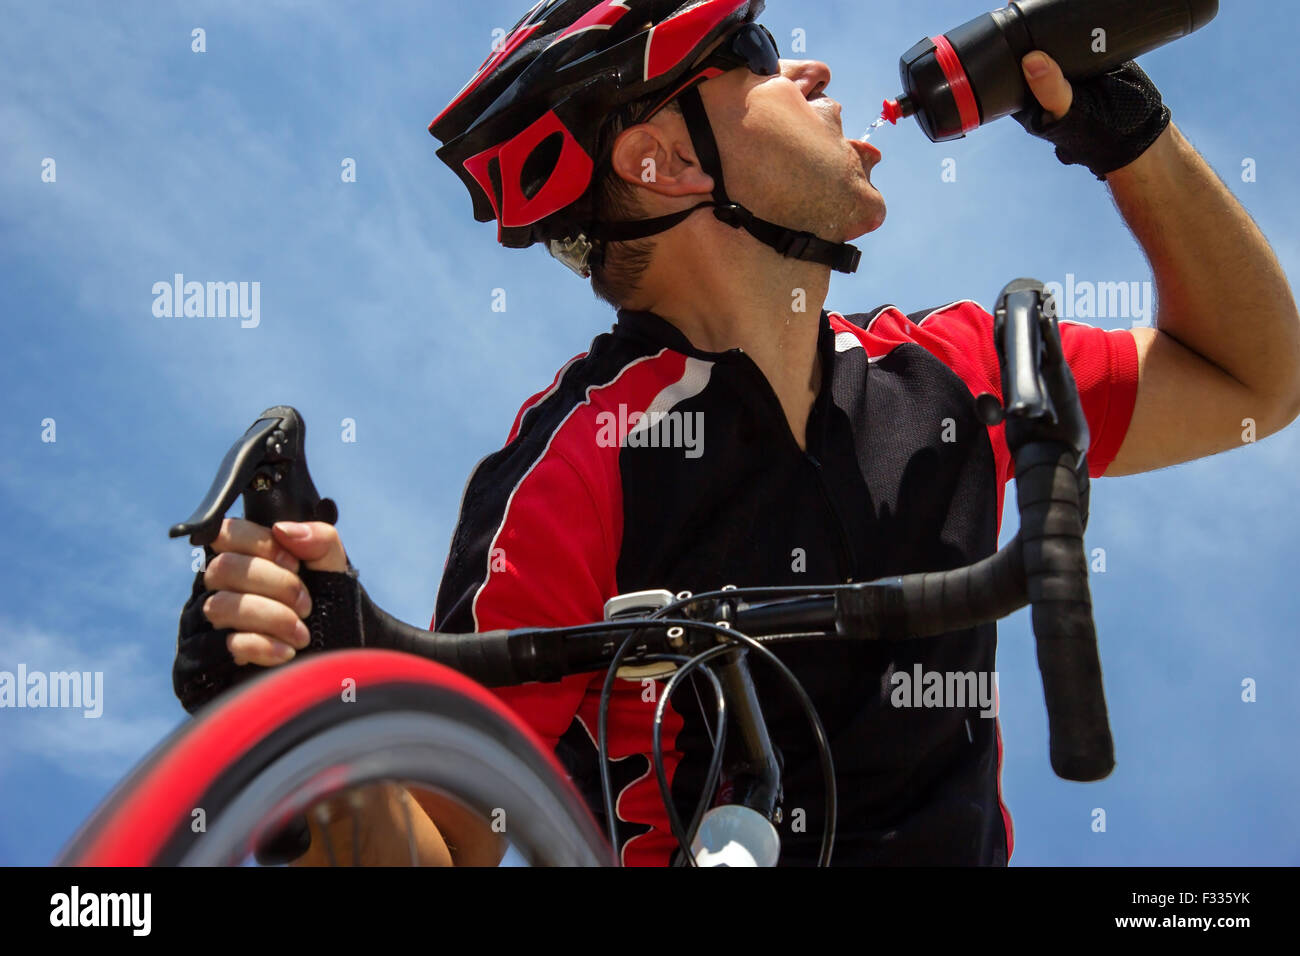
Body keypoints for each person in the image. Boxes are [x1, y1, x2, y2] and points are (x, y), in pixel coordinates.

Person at [173, 0, 1300, 866]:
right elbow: (449, 838)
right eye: (756, 53)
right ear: (659, 161)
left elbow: (1258, 379)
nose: (808, 69)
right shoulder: (580, 460)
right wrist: (315, 709)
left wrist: (1130, 134)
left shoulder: (952, 365)